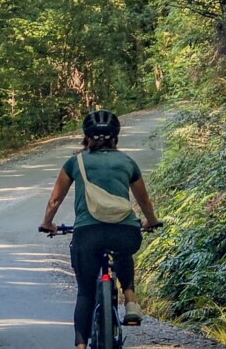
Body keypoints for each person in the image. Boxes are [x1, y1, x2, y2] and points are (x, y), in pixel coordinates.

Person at [40, 110, 161, 349]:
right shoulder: (127, 162)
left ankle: (81, 345)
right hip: (124, 231)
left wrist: (47, 223)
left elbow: (55, 201)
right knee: (123, 251)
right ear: (116, 136)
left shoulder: (75, 162)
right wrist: (151, 221)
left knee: (85, 292)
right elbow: (144, 201)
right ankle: (130, 302)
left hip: (88, 234)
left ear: (86, 137)